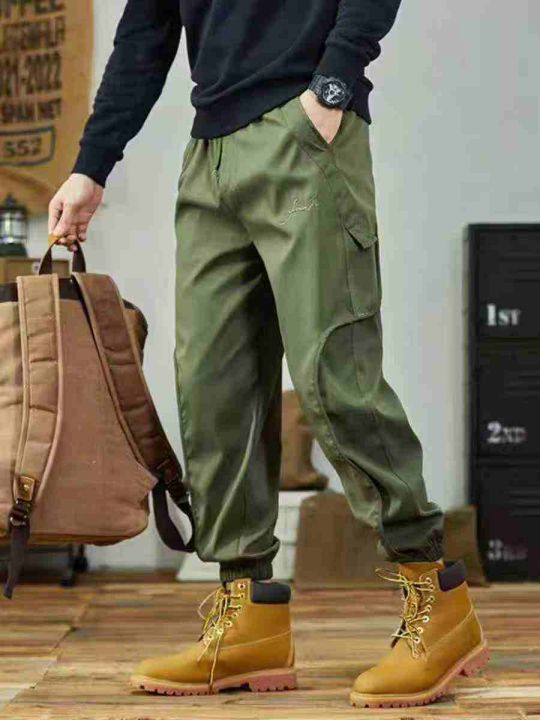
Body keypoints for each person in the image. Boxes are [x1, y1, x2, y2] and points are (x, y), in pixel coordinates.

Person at [48, 0, 488, 708]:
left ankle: (436, 598)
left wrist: (334, 84)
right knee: (211, 388)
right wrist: (90, 167)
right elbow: (146, 32)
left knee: (332, 379)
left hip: (303, 129)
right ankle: (248, 614)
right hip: (210, 155)